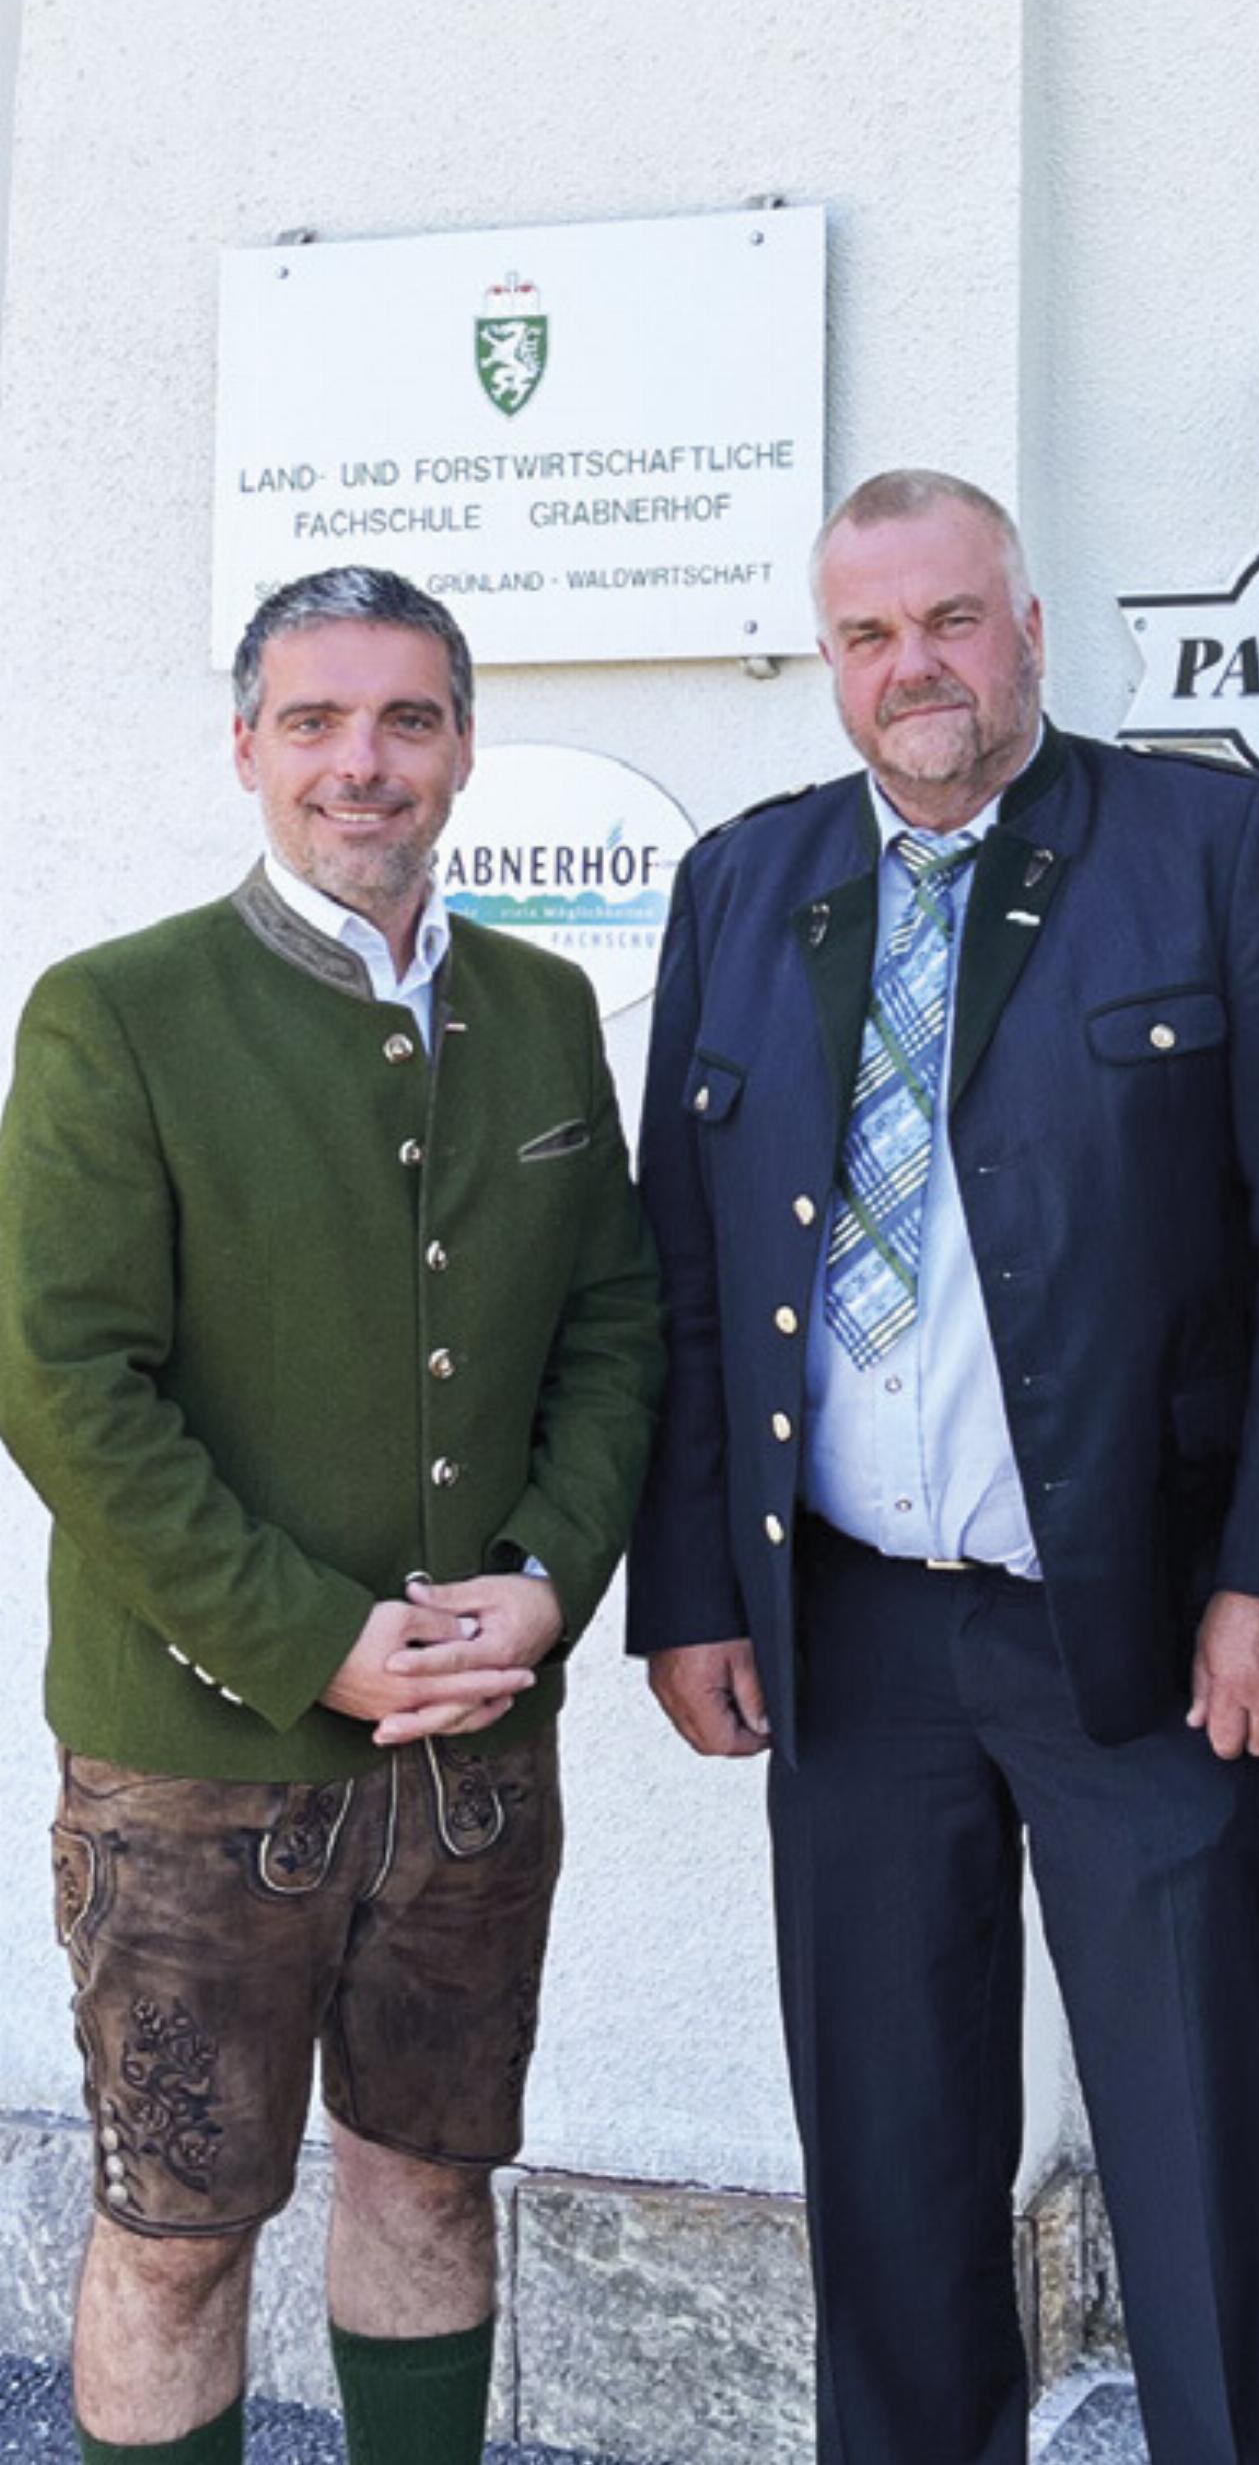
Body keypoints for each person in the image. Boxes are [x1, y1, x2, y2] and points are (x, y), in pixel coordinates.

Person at [629, 468, 1259, 2465]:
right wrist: (689, 1586)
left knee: (1198, 2142)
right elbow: (687, 1268)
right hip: (850, 1636)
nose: (913, 666)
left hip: (1137, 1630)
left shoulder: (1206, 845)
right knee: (887, 2140)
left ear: (1032, 627)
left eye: (951, 619)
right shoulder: (746, 885)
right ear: (830, 660)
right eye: (869, 634)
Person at [0, 567, 663, 2465]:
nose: (360, 765)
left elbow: (613, 1318)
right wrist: (311, 1639)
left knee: (431, 2192)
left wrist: (547, 1582)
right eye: (314, 721)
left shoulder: (539, 1006)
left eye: (404, 720)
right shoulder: (115, 1011)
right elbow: (62, 1381)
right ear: (246, 749)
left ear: (461, 745)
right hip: (198, 1773)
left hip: (473, 1753)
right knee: (179, 2241)